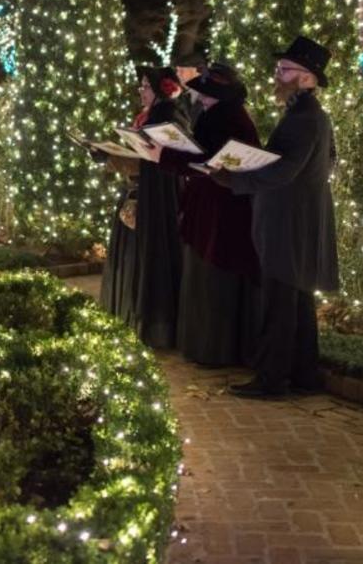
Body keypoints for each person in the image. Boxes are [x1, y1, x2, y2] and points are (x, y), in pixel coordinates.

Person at [213, 36, 340, 399]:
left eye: (285, 70)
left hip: (288, 223)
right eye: (278, 69)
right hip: (297, 219)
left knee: (279, 302)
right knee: (296, 301)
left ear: (308, 79)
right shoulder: (308, 115)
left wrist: (233, 177)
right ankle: (303, 374)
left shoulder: (305, 118)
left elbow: (284, 170)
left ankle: (271, 380)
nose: (277, 76)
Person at [156, 63, 262, 366]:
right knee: (205, 274)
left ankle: (216, 347)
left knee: (215, 276)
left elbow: (210, 160)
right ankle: (206, 345)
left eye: (207, 95)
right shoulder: (219, 115)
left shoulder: (229, 118)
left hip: (223, 209)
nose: (201, 99)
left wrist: (164, 155)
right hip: (211, 205)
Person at [99, 66, 189, 349]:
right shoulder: (149, 115)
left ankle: (152, 324)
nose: (141, 91)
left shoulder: (168, 115)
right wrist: (108, 155)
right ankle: (128, 316)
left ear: (160, 89)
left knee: (153, 258)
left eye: (145, 86)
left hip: (156, 199)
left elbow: (168, 158)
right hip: (139, 193)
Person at [173, 50, 208, 125]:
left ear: (197, 71)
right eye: (177, 71)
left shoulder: (212, 98)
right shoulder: (180, 97)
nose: (177, 74)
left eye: (182, 71)